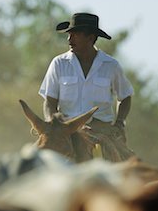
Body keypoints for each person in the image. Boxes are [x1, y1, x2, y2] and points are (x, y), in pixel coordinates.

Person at [38, 12, 134, 161]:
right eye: (69, 34)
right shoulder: (59, 63)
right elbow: (49, 101)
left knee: (127, 164)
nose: (70, 39)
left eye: (75, 34)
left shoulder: (111, 65)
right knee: (35, 163)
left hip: (101, 131)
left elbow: (125, 96)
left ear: (90, 38)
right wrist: (53, 126)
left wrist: (120, 123)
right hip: (66, 131)